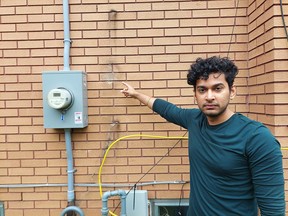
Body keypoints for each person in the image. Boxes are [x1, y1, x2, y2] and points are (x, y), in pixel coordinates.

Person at [121, 56, 285, 216]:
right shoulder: (194, 120)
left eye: (217, 88)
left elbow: (273, 210)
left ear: (232, 91)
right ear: (195, 95)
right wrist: (136, 94)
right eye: (202, 90)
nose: (209, 96)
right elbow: (166, 109)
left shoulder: (257, 138)